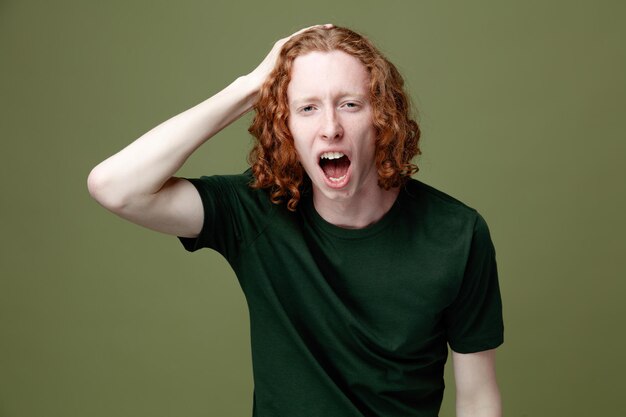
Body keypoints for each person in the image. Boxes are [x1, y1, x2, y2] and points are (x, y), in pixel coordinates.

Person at [88, 24, 504, 417]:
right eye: (307, 108)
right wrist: (250, 86)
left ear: (382, 119)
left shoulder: (457, 234)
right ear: (285, 126)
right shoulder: (254, 212)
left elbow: (478, 395)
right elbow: (115, 186)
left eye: (350, 104)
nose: (330, 128)